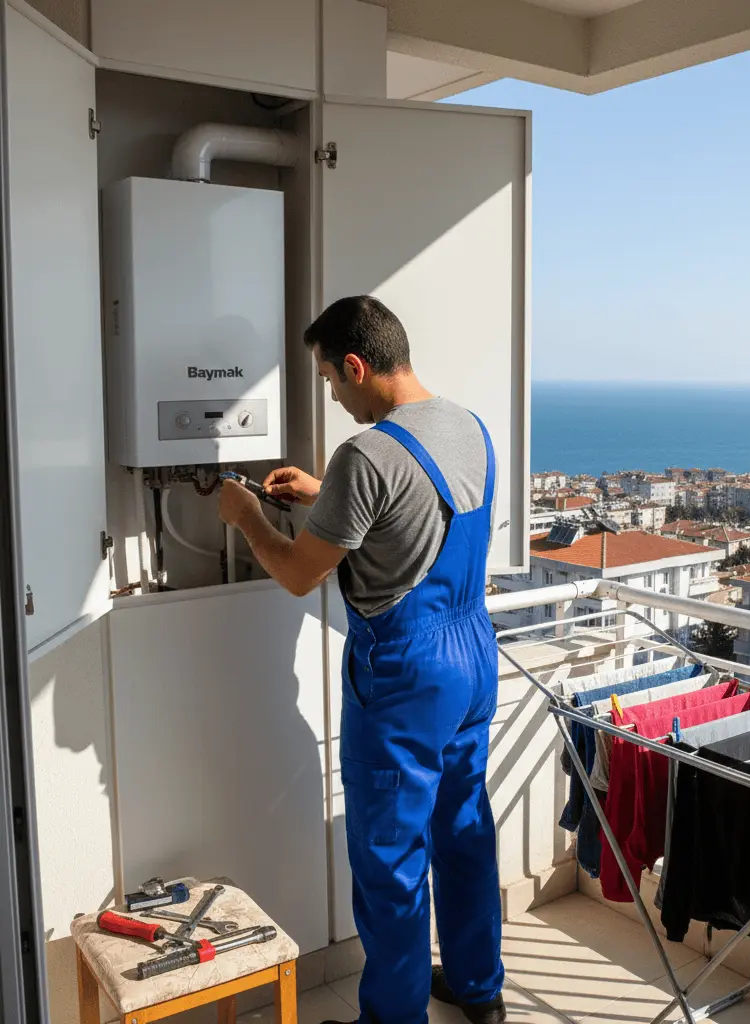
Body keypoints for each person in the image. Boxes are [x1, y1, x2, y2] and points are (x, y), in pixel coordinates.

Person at [218, 295, 505, 1024]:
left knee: (390, 858)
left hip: (406, 674)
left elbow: (298, 573)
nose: (334, 398)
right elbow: (418, 514)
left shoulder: (366, 453)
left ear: (356, 365)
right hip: (473, 655)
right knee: (464, 829)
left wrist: (247, 517)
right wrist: (325, 496)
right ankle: (480, 989)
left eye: (329, 381)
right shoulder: (468, 426)